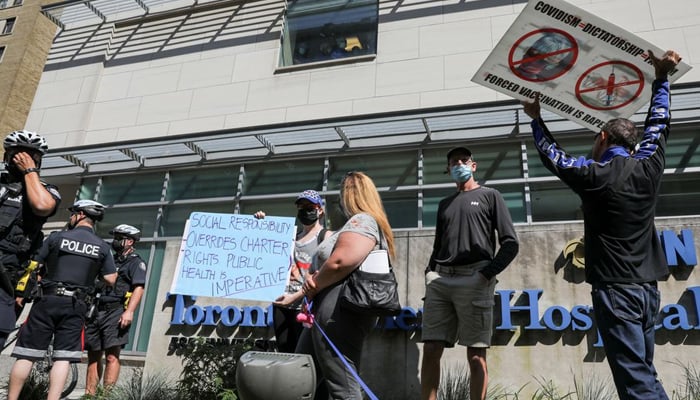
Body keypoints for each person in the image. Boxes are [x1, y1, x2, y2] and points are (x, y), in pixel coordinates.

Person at [521, 49, 682, 400]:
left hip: (616, 291)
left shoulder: (594, 174)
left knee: (636, 381)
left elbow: (553, 156)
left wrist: (536, 118)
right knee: (645, 373)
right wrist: (661, 80)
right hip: (648, 292)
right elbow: (659, 123)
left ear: (604, 139)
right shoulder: (648, 166)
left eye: (596, 139)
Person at [421, 147, 519, 400]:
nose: (460, 164)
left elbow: (510, 243)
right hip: (440, 280)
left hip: (475, 278)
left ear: (473, 166)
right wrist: (430, 272)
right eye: (454, 162)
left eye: (464, 160)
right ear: (449, 169)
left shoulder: (490, 195)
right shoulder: (444, 204)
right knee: (431, 348)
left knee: (476, 355)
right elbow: (438, 244)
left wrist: (486, 274)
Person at [7, 199, 117, 400]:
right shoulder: (102, 246)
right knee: (63, 358)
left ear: (81, 214)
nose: (71, 217)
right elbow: (111, 278)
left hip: (46, 301)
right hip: (76, 305)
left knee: (27, 354)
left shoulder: (57, 237)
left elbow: (34, 265)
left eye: (73, 213)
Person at [301, 171, 395, 399]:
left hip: (338, 310)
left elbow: (340, 262)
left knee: (342, 383)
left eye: (343, 194)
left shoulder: (361, 221)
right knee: (301, 373)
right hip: (328, 309)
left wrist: (313, 285)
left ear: (350, 195)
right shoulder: (356, 224)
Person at [0, 130, 61, 350]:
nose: (23, 158)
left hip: (7, 275)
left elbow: (43, 206)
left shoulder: (46, 190)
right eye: (19, 154)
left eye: (31, 155)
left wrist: (29, 171)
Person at [256, 189, 332, 353]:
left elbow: (324, 275)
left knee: (304, 355)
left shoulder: (325, 236)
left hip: (306, 307)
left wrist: (295, 298)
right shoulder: (291, 237)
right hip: (281, 303)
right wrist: (261, 224)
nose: (304, 210)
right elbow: (264, 249)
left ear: (319, 209)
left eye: (309, 206)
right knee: (285, 351)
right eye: (301, 207)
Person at [85, 224, 147, 395]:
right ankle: (90, 396)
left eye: (120, 238)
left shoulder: (136, 262)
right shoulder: (109, 259)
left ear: (130, 241)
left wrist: (130, 311)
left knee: (112, 356)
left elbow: (139, 288)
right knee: (93, 356)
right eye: (115, 237)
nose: (116, 241)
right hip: (97, 310)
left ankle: (106, 396)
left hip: (116, 311)